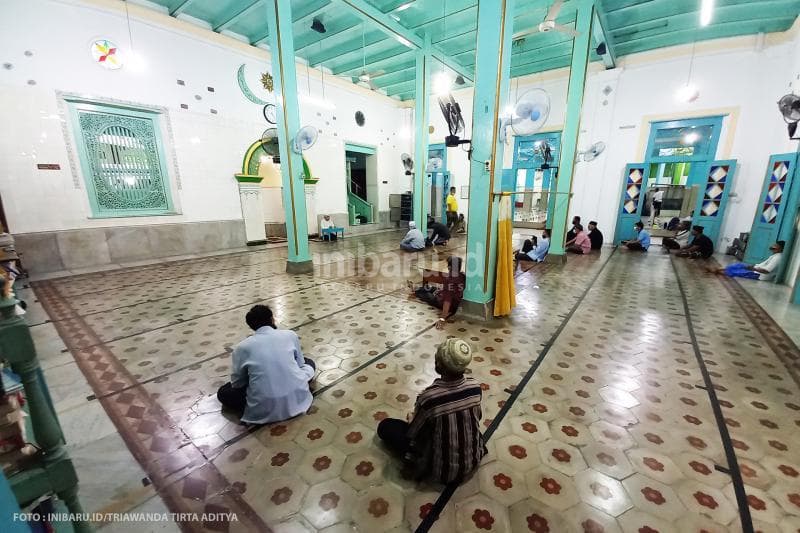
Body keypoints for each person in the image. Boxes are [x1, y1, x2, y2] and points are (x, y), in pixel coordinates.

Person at [377, 338, 487, 484]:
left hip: (443, 472)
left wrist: (412, 418)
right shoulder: (475, 386)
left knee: (386, 426)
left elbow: (413, 433)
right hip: (473, 461)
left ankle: (418, 464)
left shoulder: (429, 397)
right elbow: (477, 417)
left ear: (439, 364)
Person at [217, 305, 316, 424]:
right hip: (298, 397)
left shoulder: (241, 348)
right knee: (309, 363)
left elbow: (238, 384)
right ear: (272, 319)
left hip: (264, 406)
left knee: (223, 392)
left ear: (251, 326)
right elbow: (300, 364)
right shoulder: (290, 335)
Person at [408, 256, 465, 329]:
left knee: (427, 295)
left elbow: (447, 301)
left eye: (448, 265)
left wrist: (442, 318)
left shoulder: (449, 281)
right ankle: (416, 288)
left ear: (449, 267)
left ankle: (416, 291)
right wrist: (440, 291)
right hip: (450, 299)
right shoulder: (462, 276)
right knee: (430, 287)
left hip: (442, 302)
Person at [707, 241, 784, 280]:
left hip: (759, 275)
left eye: (775, 246)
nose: (773, 247)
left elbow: (767, 271)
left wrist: (753, 268)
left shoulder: (778, 257)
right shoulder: (775, 255)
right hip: (756, 269)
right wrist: (753, 266)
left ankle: (716, 271)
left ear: (781, 248)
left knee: (736, 272)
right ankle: (717, 269)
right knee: (738, 265)